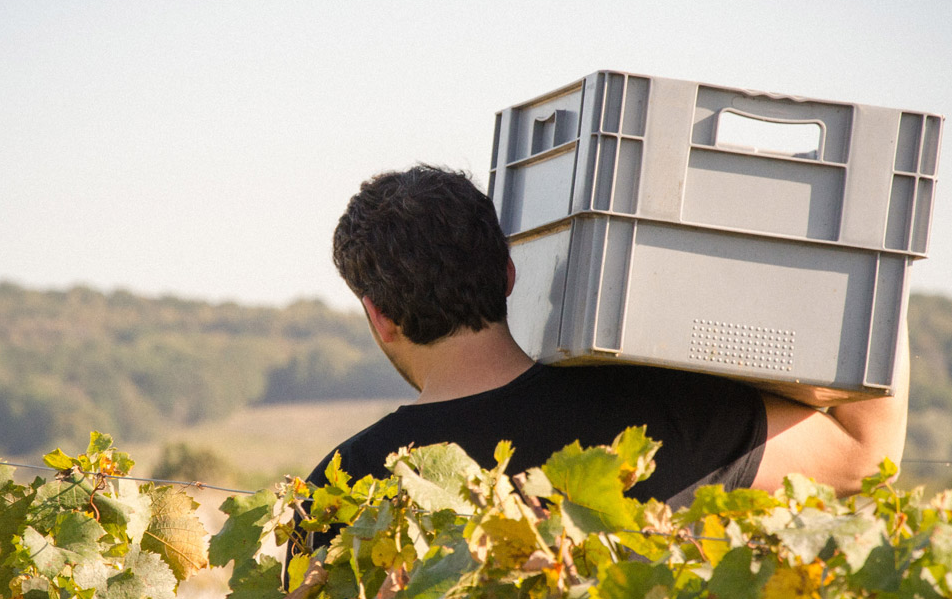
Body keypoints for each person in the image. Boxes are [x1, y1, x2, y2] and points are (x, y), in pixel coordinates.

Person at [306, 165, 908, 506]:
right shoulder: (654, 413)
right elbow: (864, 456)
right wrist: (874, 265)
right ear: (508, 275)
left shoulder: (342, 482)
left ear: (379, 315)